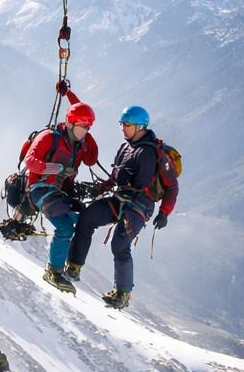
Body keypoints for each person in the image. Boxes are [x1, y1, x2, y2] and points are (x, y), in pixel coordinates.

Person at [68, 104, 177, 310]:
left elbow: (172, 186)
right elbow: (115, 177)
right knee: (87, 218)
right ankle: (73, 267)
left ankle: (122, 294)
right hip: (120, 199)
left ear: (139, 126)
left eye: (126, 125)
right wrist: (99, 189)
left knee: (119, 244)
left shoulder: (154, 153)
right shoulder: (125, 147)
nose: (123, 128)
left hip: (140, 205)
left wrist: (164, 213)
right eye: (122, 124)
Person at [17, 81, 100, 294]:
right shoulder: (49, 137)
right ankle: (54, 271)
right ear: (72, 124)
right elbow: (30, 161)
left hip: (59, 191)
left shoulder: (79, 142)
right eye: (83, 127)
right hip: (40, 188)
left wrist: (68, 93)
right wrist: (53, 168)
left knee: (82, 221)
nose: (86, 131)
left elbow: (80, 109)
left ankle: (69, 267)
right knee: (66, 226)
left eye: (88, 127)